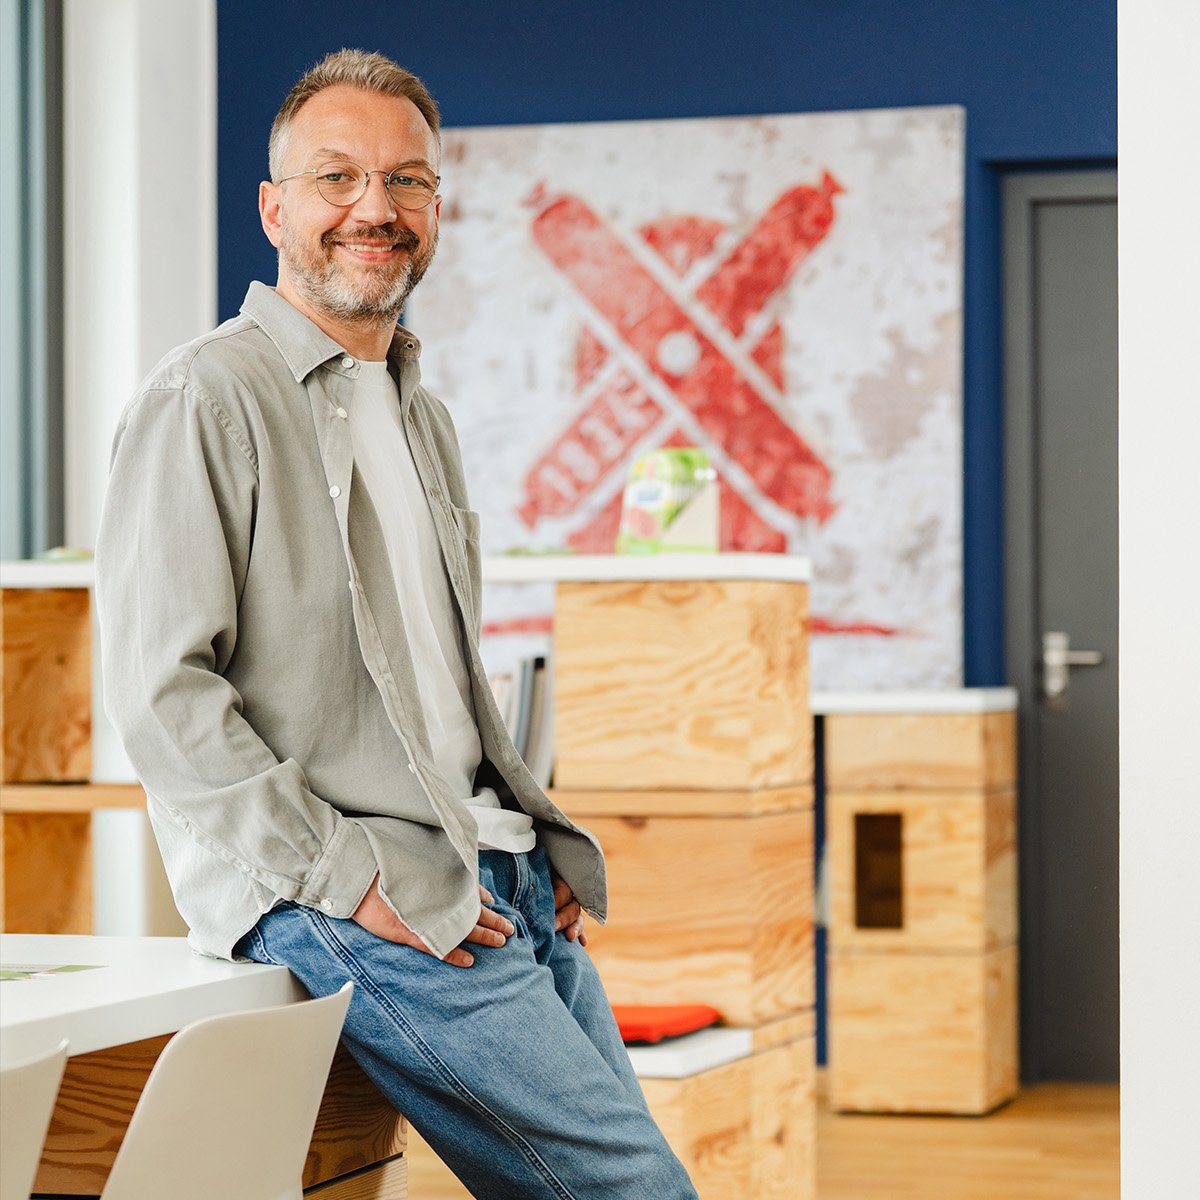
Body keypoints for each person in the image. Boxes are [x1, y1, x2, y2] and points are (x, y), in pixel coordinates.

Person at [96, 48, 697, 1200]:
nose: (375, 209)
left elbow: (435, 673)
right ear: (274, 208)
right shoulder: (204, 397)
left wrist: (523, 817)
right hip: (364, 895)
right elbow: (162, 696)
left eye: (407, 182)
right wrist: (346, 873)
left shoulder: (420, 412)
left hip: (492, 874)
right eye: (336, 179)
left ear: (436, 208)